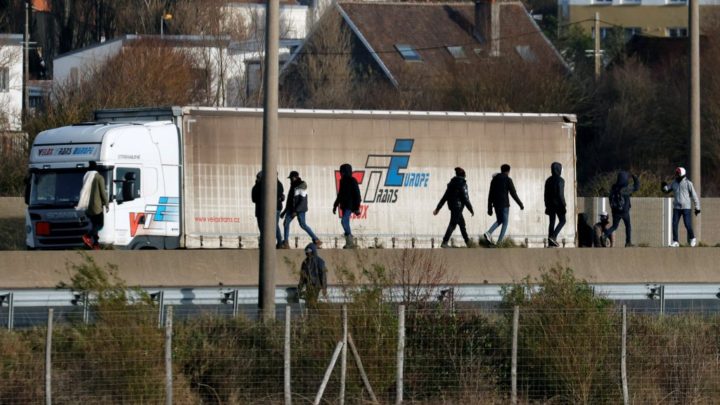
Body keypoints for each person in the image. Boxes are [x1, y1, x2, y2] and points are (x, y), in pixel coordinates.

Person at [433, 167, 475, 248]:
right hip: (458, 208)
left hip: (452, 206)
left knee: (462, 224)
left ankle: (468, 242)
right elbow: (465, 198)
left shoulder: (451, 184)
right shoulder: (463, 184)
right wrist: (471, 209)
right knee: (453, 224)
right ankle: (445, 242)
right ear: (463, 175)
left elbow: (444, 197)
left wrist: (438, 208)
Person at [484, 164, 523, 246]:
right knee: (505, 222)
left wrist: (489, 207)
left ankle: (489, 233)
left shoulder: (494, 180)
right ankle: (499, 242)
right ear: (508, 171)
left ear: (501, 170)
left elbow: (490, 194)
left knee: (500, 220)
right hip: (504, 204)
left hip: (496, 205)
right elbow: (513, 194)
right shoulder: (508, 180)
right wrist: (520, 204)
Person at [280, 171, 322, 248]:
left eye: (291, 178)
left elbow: (303, 200)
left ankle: (316, 240)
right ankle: (286, 242)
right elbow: (290, 200)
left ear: (294, 177)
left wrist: (296, 211)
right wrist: (285, 211)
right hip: (292, 208)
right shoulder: (293, 186)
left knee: (303, 225)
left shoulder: (301, 185)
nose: (290, 180)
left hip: (300, 209)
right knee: (286, 223)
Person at [662, 167, 701, 247]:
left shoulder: (688, 183)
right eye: (676, 173)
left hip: (686, 208)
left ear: (682, 174)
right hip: (676, 207)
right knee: (674, 224)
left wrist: (697, 207)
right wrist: (664, 187)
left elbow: (694, 196)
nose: (676, 175)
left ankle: (692, 238)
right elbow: (667, 189)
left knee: (687, 224)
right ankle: (675, 241)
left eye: (678, 173)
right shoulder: (674, 183)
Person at [78, 161, 109, 249]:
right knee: (100, 224)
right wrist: (106, 204)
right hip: (97, 207)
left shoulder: (86, 177)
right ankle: (88, 236)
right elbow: (103, 192)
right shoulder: (99, 178)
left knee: (94, 225)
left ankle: (95, 243)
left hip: (87, 207)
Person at [604, 171, 640, 247]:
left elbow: (610, 198)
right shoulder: (625, 189)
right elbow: (636, 187)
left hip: (615, 212)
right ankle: (628, 242)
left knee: (614, 226)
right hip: (624, 212)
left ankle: (605, 235)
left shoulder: (613, 188)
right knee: (628, 226)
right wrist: (634, 177)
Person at [251, 171, 285, 248]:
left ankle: (273, 243)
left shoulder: (263, 186)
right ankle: (277, 242)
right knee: (273, 226)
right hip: (267, 209)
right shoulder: (267, 185)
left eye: (259, 177)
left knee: (268, 226)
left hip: (269, 209)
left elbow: (255, 199)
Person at [333, 163, 362, 249]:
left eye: (342, 172)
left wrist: (357, 207)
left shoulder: (352, 180)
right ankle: (349, 243)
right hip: (345, 205)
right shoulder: (342, 181)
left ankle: (350, 240)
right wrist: (335, 205)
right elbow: (340, 195)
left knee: (344, 221)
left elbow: (357, 195)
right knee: (346, 222)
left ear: (346, 172)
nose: (341, 174)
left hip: (350, 205)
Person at [544, 162, 566, 247]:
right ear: (559, 169)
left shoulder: (548, 180)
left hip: (550, 205)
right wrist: (563, 204)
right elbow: (560, 194)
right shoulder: (561, 180)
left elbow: (545, 194)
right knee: (563, 221)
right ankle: (553, 237)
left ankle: (550, 241)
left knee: (551, 222)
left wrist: (546, 204)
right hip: (558, 205)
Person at [298, 243, 327, 307]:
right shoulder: (305, 262)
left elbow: (323, 275)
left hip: (316, 285)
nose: (307, 253)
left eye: (309, 251)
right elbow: (302, 277)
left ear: (313, 251)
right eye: (306, 252)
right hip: (308, 285)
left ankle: (313, 315)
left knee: (312, 302)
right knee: (308, 303)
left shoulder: (320, 261)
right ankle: (310, 315)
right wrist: (300, 287)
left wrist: (324, 287)